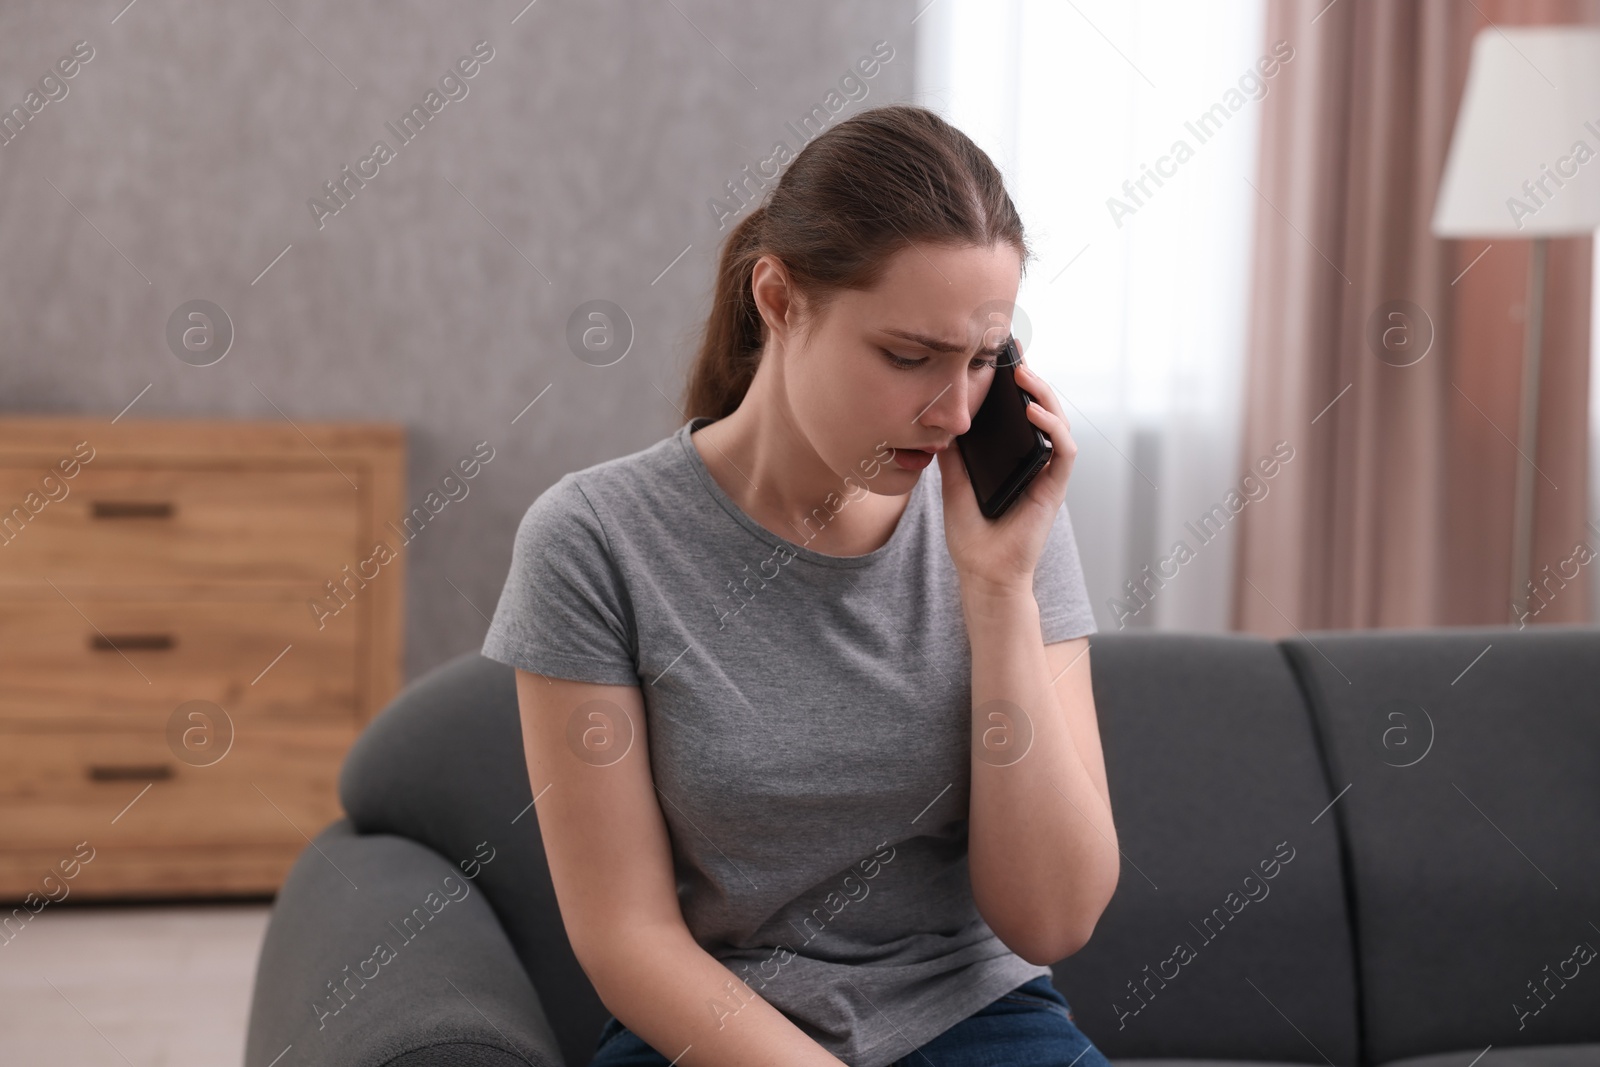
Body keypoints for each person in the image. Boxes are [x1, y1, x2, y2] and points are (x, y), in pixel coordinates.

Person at [481, 103, 1118, 1067]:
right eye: (909, 357)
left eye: (983, 361)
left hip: (977, 1019)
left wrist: (998, 594)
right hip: (712, 1033)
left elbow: (1055, 918)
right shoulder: (593, 540)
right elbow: (627, 938)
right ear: (778, 299)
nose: (952, 412)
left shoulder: (1007, 530)